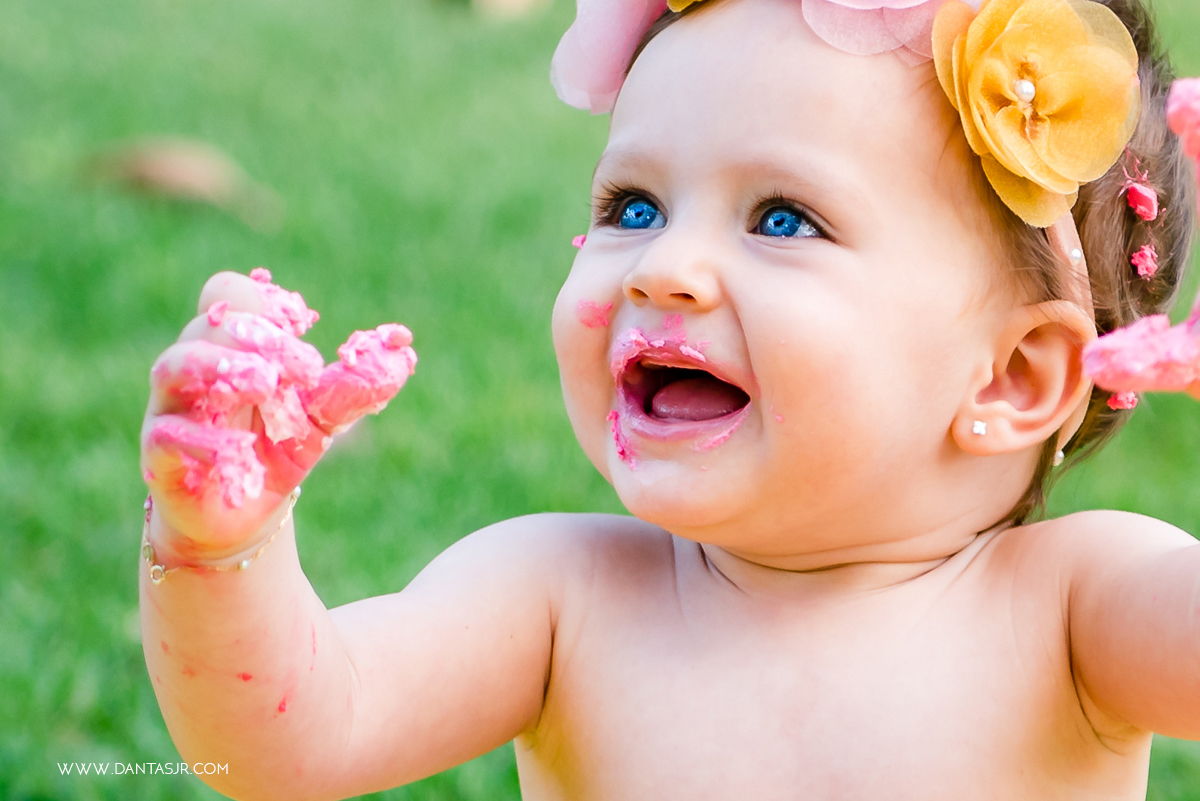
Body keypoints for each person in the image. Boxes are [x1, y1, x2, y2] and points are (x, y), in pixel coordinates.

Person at [138, 0, 1200, 797]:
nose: (662, 268)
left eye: (783, 220)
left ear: (1013, 378)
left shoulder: (1078, 609)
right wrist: (218, 547)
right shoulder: (558, 597)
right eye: (633, 205)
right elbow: (284, 745)